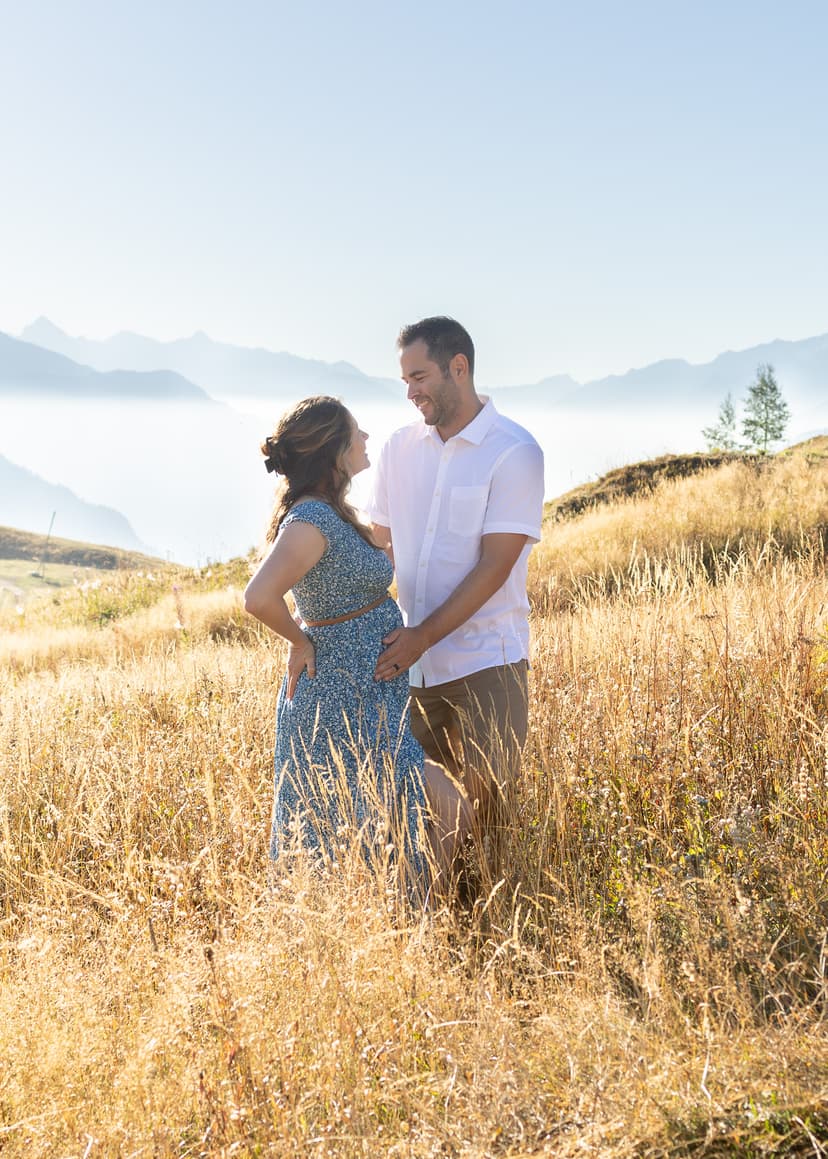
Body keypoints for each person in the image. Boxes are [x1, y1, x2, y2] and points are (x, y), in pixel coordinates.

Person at [243, 395, 469, 895]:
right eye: (357, 432)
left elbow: (330, 581)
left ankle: (411, 922)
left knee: (394, 823)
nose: (367, 439)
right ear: (334, 451)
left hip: (369, 702)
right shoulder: (310, 522)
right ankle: (407, 922)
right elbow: (258, 597)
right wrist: (300, 641)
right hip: (337, 703)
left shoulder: (332, 513)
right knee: (353, 830)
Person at [368, 317, 545, 854]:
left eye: (419, 377)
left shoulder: (515, 452)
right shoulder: (398, 448)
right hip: (412, 671)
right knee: (420, 823)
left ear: (459, 368)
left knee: (490, 825)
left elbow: (495, 568)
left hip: (486, 666)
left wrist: (421, 636)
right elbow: (379, 548)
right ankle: (434, 931)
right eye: (404, 381)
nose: (411, 392)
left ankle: (487, 931)